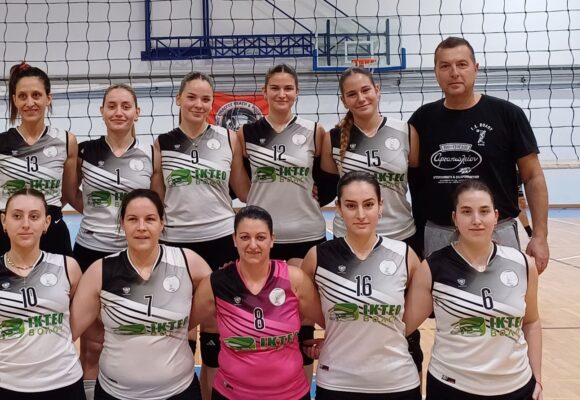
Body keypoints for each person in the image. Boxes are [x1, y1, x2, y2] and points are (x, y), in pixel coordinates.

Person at [408, 36, 549, 273]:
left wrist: (540, 236)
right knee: (443, 299)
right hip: (440, 234)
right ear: (436, 72)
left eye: (462, 64)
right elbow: (408, 177)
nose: (454, 72)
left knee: (506, 297)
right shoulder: (422, 119)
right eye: (445, 66)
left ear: (476, 68)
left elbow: (533, 176)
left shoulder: (508, 114)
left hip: (497, 231)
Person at [153, 71, 250, 398]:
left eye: (205, 99)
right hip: (176, 243)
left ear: (212, 103)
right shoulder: (163, 143)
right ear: (178, 99)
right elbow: (157, 197)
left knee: (215, 329)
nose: (198, 104)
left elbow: (243, 189)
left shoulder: (228, 138)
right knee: (180, 326)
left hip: (220, 238)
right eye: (191, 97)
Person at [322, 66, 425, 373]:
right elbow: (326, 185)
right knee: (356, 313)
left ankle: (405, 377)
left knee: (401, 317)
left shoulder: (405, 132)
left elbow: (418, 180)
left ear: (377, 90)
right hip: (350, 238)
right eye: (352, 94)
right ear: (344, 100)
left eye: (366, 90)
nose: (361, 98)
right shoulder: (332, 138)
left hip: (400, 234)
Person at [405, 180, 543, 400]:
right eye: (467, 212)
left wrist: (537, 377)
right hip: (451, 388)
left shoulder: (523, 264)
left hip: (517, 388)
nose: (476, 220)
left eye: (484, 211)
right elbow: (401, 328)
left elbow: (532, 322)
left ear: (496, 216)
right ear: (455, 218)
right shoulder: (432, 268)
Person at [62, 84, 159, 396]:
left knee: (133, 335)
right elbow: (70, 194)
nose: (119, 112)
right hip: (91, 250)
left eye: (126, 106)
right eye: (112, 106)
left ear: (137, 112)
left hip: (134, 256)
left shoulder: (151, 153)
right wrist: (97, 215)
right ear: (102, 111)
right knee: (93, 343)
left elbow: (156, 204)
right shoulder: (85, 152)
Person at [71, 189, 212, 400]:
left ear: (162, 223)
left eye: (150, 219)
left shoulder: (188, 263)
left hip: (178, 391)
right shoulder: (100, 271)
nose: (141, 227)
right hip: (116, 394)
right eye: (132, 219)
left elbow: (217, 304)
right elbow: (68, 333)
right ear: (122, 223)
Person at [300, 172, 422, 400]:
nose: (361, 215)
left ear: (381, 206)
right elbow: (307, 312)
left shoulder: (405, 256)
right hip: (337, 382)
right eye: (350, 206)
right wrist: (337, 336)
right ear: (338, 208)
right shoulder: (318, 257)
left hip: (396, 382)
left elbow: (407, 323)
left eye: (368, 205)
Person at [191, 206, 324, 400]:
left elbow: (332, 323)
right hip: (232, 395)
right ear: (234, 239)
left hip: (291, 395)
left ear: (272, 239)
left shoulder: (294, 280)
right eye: (245, 237)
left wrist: (326, 344)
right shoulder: (216, 283)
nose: (253, 245)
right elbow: (182, 327)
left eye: (260, 237)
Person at [0, 188, 84, 399]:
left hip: (65, 385)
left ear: (46, 223)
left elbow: (74, 325)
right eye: (17, 216)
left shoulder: (68, 267)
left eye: (34, 216)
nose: (25, 224)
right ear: (4, 221)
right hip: (4, 388)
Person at [0, 62, 78, 262]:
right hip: (8, 235)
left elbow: (68, 194)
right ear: (14, 100)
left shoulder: (67, 141)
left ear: (48, 98)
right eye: (23, 96)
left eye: (36, 95)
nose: (30, 102)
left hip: (52, 234)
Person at [239, 64, 337, 266]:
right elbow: (243, 188)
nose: (282, 94)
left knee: (306, 287)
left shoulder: (314, 131)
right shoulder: (246, 133)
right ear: (264, 92)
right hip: (262, 234)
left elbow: (327, 179)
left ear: (297, 92)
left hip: (307, 232)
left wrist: (318, 193)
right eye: (275, 88)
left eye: (288, 88)